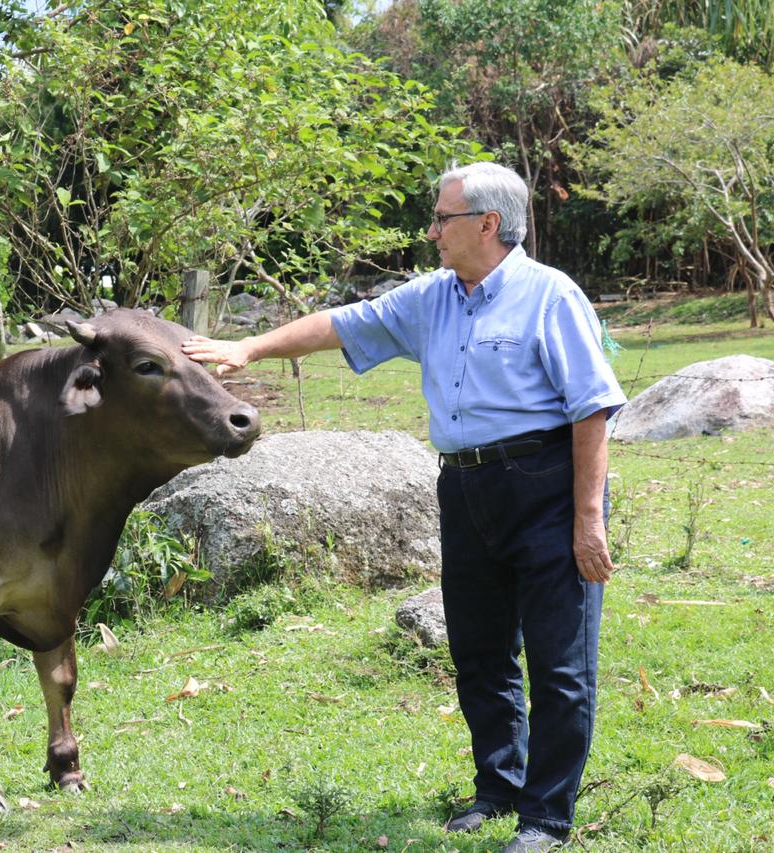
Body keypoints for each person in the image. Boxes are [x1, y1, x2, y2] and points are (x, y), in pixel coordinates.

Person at [182, 161, 625, 853]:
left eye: (441, 218)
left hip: (544, 483)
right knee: (479, 650)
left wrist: (587, 516)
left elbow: (593, 408)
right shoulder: (433, 298)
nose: (430, 231)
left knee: (559, 660)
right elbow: (342, 323)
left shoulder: (550, 296)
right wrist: (248, 346)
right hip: (464, 486)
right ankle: (498, 790)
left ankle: (546, 818)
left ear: (486, 223)